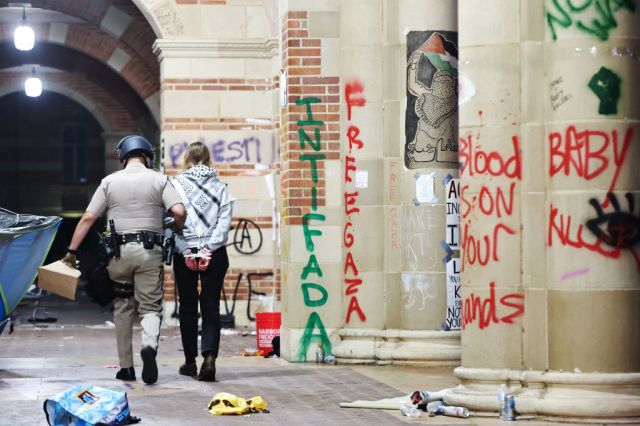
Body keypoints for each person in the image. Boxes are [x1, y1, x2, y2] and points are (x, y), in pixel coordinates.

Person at [61, 135, 186, 384]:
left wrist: (71, 251)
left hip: (117, 254)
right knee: (150, 306)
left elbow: (87, 218)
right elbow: (179, 211)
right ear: (148, 156)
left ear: (122, 156)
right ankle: (149, 346)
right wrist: (177, 226)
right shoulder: (160, 179)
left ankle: (126, 367)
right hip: (150, 252)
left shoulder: (109, 181)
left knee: (123, 304)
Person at [170, 141, 233, 381]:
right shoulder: (221, 186)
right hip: (214, 253)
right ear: (208, 159)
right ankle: (210, 357)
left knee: (187, 306)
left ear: (186, 158)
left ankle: (189, 361)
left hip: (184, 250)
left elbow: (170, 223)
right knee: (211, 305)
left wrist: (187, 250)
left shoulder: (174, 186)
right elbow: (224, 224)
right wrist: (208, 248)